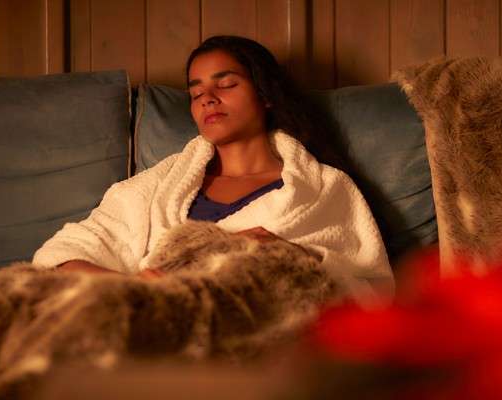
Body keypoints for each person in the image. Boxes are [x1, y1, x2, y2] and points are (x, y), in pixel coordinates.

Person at [32, 35, 393, 300]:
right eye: (196, 92)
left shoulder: (322, 188)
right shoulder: (157, 188)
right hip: (155, 318)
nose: (208, 98)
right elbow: (63, 254)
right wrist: (138, 285)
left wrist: (289, 254)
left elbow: (368, 291)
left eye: (226, 84)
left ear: (266, 95)